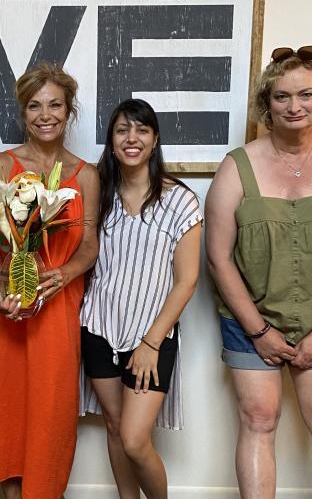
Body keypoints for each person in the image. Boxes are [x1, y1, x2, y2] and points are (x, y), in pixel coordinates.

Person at [205, 46, 312, 499]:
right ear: (267, 103)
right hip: (248, 320)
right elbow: (219, 259)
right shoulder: (237, 167)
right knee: (259, 420)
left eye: (305, 95)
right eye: (281, 97)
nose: (293, 106)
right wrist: (259, 331)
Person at [0, 63, 100, 499]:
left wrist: (64, 274)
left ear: (69, 111)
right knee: (7, 416)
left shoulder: (85, 173)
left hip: (56, 306)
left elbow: (89, 245)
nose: (45, 114)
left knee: (49, 417)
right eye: (35, 105)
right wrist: (0, 281)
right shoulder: (2, 165)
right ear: (23, 112)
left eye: (55, 104)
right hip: (0, 309)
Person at [80, 99, 202, 499]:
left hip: (152, 334)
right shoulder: (97, 196)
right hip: (99, 326)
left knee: (134, 438)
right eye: (121, 130)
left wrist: (151, 343)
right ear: (111, 141)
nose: (131, 138)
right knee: (115, 428)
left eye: (141, 130)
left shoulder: (180, 200)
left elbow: (187, 281)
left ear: (155, 140)